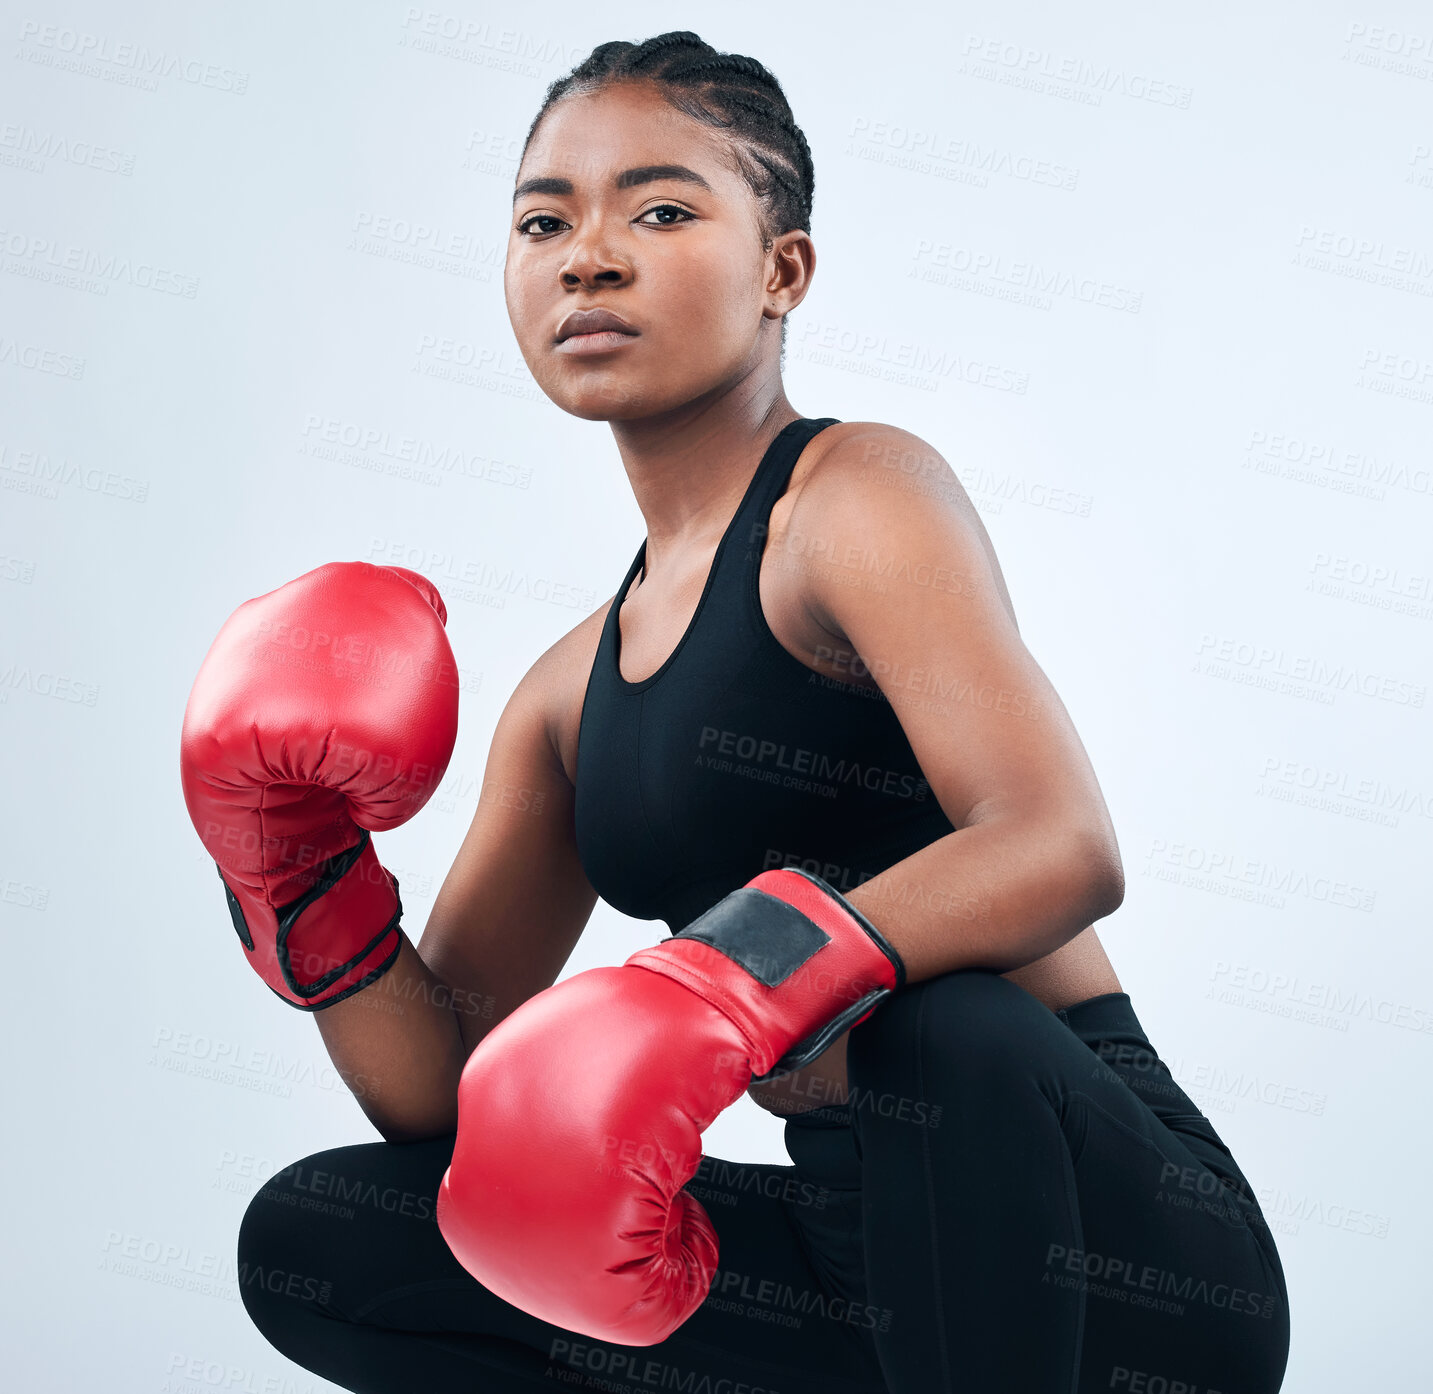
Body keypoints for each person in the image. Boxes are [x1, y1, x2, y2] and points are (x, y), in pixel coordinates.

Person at [191, 30, 1291, 1392]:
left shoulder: (852, 502)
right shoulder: (565, 693)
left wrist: (719, 980)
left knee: (934, 1026)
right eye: (545, 219)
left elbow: (1059, 841)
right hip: (871, 1273)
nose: (587, 254)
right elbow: (446, 1090)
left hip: (1118, 1257)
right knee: (327, 1232)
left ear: (784, 270)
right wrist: (304, 872)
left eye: (659, 208)